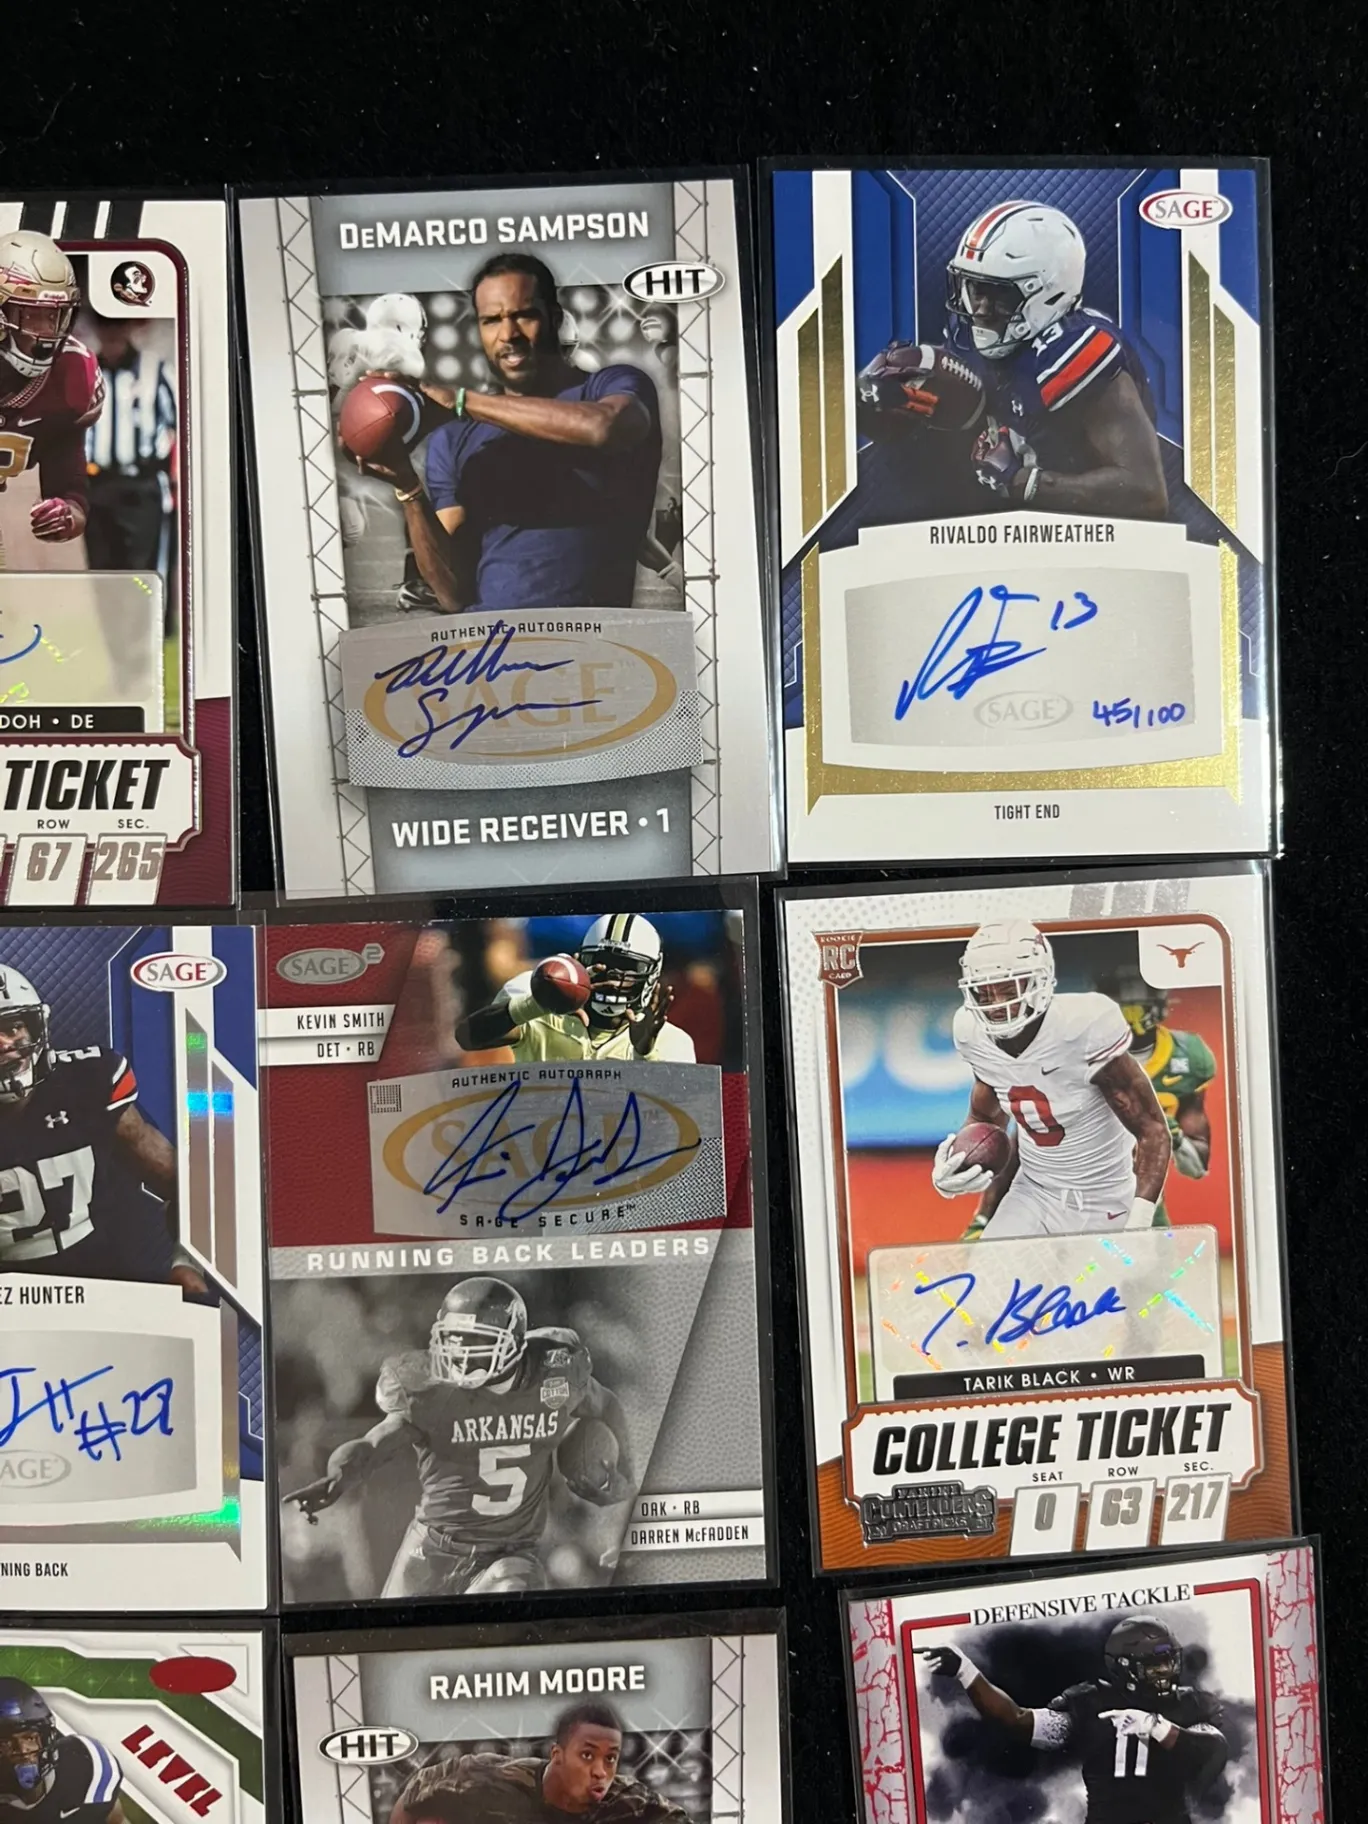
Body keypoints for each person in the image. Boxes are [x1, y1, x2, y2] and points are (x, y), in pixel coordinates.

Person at [282, 1277, 634, 1597]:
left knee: (510, 1596)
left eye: (475, 1338)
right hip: (433, 1547)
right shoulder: (432, 1390)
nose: (462, 1351)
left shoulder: (552, 1373)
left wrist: (626, 1474)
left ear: (512, 1340)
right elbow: (377, 1441)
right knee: (395, 1635)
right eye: (455, 1337)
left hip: (509, 1553)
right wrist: (341, 1473)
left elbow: (605, 1404)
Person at [367, 253, 662, 613]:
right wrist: (406, 486)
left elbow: (604, 427)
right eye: (492, 320)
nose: (508, 335)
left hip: (590, 640)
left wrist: (461, 400)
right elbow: (452, 594)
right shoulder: (455, 438)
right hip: (491, 642)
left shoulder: (610, 386)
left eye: (524, 315)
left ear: (555, 319)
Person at [861, 202, 1167, 518]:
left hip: (1088, 532)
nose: (980, 310)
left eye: (999, 294)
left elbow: (1146, 493)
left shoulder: (1075, 351)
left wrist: (1027, 483)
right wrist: (884, 401)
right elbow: (969, 404)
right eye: (975, 289)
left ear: (1048, 292)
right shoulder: (967, 332)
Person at [932, 920, 1171, 1237]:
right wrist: (957, 1163)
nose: (996, 1003)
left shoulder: (1083, 1027)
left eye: (1008, 987)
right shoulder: (971, 1032)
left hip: (1107, 1197)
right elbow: (985, 1117)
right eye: (984, 990)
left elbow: (1153, 1130)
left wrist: (1140, 1221)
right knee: (987, 1267)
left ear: (1039, 980)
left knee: (1108, 1272)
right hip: (1034, 1193)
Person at [0, 964, 204, 1292]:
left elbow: (187, 1186)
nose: (4, 1044)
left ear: (37, 1027)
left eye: (13, 1027)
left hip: (96, 1288)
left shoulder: (86, 1083)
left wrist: (188, 1262)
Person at [923, 1615, 1227, 1824]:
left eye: (1169, 1661)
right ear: (1124, 1665)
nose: (1167, 1672)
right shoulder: (1091, 1703)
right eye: (1155, 1664)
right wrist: (965, 1671)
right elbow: (1015, 1718)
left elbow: (1211, 1751)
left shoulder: (1190, 1704)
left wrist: (1154, 1726)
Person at [390, 1703, 690, 1822]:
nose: (601, 1772)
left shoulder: (631, 1801)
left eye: (610, 1758)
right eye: (587, 1755)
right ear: (557, 1755)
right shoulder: (489, 1776)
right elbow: (413, 1792)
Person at [457, 915, 695, 1064]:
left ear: (652, 974)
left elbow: (675, 1118)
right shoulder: (539, 1003)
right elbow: (467, 1037)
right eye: (602, 963)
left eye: (628, 968)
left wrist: (645, 1054)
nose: (613, 978)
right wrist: (538, 1004)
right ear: (580, 961)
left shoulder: (672, 1042)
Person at [0, 230, 101, 565]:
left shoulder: (72, 376)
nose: (46, 332)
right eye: (32, 315)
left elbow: (70, 485)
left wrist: (66, 515)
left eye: (54, 316)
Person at [1096, 965, 1216, 1226]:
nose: (1130, 1013)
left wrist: (1175, 1138)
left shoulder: (1187, 1057)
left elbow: (1197, 1167)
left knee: (1156, 1246)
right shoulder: (1082, 1054)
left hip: (1147, 1201)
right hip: (1087, 1196)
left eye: (1136, 1006)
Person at [0, 1678, 126, 1824]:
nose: (23, 1751)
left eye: (30, 1738)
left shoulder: (86, 1769)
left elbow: (115, 1818)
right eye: (5, 1743)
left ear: (46, 1736)